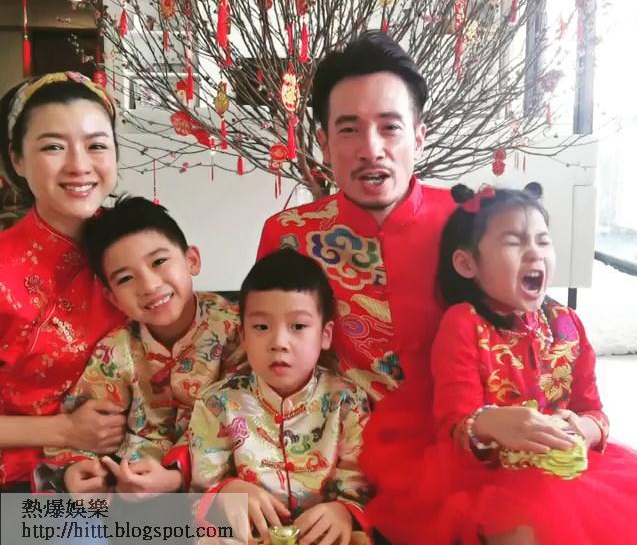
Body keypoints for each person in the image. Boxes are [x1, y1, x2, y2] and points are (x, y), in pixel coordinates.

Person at [363, 183, 637, 545]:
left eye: (543, 241)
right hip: (488, 474)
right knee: (528, 526)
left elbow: (593, 410)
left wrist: (584, 429)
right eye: (514, 242)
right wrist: (491, 423)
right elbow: (453, 422)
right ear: (467, 264)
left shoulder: (568, 323)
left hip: (566, 468)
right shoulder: (464, 324)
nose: (534, 252)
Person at [257, 32, 454, 402]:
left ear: (419, 138)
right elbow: (263, 355)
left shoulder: (470, 225)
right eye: (349, 130)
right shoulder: (289, 236)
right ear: (325, 145)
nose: (371, 149)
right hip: (335, 431)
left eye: (390, 127)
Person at [165, 249, 372, 545]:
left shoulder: (348, 401)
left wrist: (344, 512)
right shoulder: (217, 403)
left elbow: (360, 487)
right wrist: (227, 491)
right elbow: (199, 490)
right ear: (244, 335)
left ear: (325, 335)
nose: (279, 342)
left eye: (298, 326)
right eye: (261, 327)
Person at [40, 195, 243, 495]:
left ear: (192, 260)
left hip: (218, 483)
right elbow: (84, 426)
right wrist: (78, 469)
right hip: (129, 483)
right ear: (112, 297)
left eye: (159, 262)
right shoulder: (116, 349)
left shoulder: (237, 331)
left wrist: (176, 474)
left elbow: (249, 417)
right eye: (125, 278)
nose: (149, 286)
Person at [0, 72, 127, 492]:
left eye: (96, 146)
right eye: (53, 147)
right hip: (21, 482)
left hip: (137, 469)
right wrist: (66, 431)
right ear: (17, 159)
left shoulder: (141, 245)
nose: (79, 165)